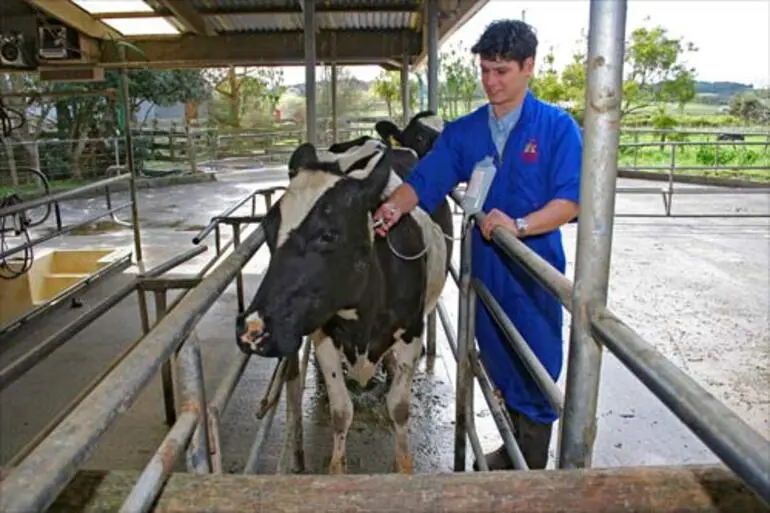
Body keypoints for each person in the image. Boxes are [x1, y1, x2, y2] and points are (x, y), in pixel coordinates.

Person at [372, 19, 583, 471]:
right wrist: (392, 208)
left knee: (536, 361)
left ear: (529, 66)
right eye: (485, 70)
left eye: (501, 71)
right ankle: (511, 445)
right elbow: (426, 180)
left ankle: (531, 465)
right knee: (497, 359)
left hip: (533, 268)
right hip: (486, 266)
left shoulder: (557, 128)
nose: (490, 81)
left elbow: (570, 201)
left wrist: (519, 225)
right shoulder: (466, 131)